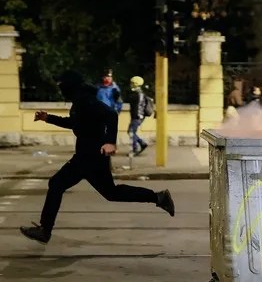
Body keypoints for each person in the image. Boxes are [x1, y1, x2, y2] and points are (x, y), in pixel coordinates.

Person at [20, 70, 175, 244]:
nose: (59, 88)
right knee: (110, 192)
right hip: (89, 155)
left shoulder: (85, 100)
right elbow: (74, 123)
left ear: (69, 85)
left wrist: (110, 142)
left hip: (90, 155)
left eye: (61, 84)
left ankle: (44, 230)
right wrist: (48, 118)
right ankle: (158, 197)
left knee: (57, 184)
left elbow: (111, 115)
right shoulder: (80, 100)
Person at [127, 76, 149, 156]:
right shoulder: (141, 93)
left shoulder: (137, 94)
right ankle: (142, 143)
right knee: (131, 131)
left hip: (137, 117)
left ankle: (135, 149)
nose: (131, 85)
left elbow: (135, 105)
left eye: (132, 83)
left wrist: (135, 117)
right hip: (139, 116)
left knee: (131, 132)